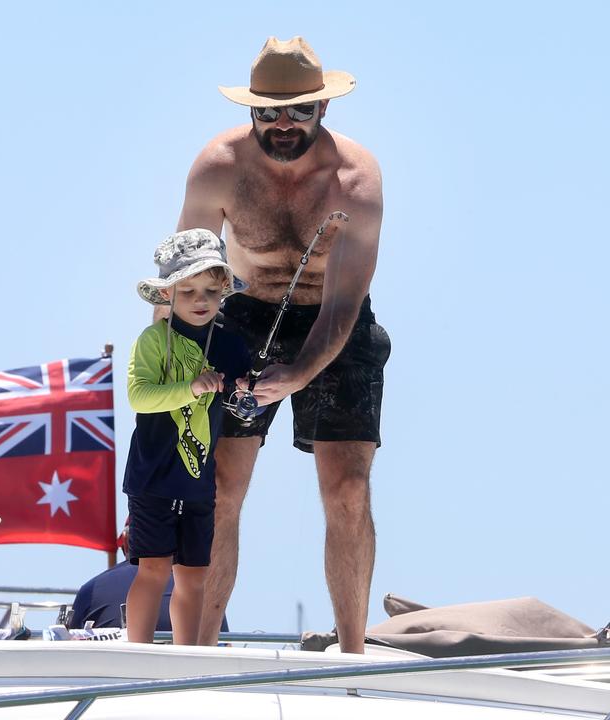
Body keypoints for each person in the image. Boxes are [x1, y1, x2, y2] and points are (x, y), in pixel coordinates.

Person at [176, 36, 391, 653]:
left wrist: (300, 371)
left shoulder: (354, 178)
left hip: (335, 323)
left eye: (298, 110)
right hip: (240, 315)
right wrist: (184, 361)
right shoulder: (218, 166)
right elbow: (187, 275)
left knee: (347, 486)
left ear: (324, 109)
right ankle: (198, 650)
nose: (283, 124)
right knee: (219, 485)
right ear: (251, 111)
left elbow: (345, 300)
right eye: (268, 111)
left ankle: (352, 653)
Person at [123, 229, 249, 645]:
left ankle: (188, 661)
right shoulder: (153, 340)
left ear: (224, 293)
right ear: (168, 295)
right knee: (153, 569)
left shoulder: (232, 346)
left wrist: (250, 392)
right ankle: (136, 655)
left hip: (198, 481)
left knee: (194, 575)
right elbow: (138, 397)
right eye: (188, 290)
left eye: (211, 291)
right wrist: (191, 388)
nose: (200, 300)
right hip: (152, 477)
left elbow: (241, 397)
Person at [69, 517, 229, 634]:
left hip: (116, 674)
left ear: (125, 542)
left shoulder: (91, 590)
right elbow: (223, 647)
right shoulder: (200, 590)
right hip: (188, 674)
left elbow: (71, 647)